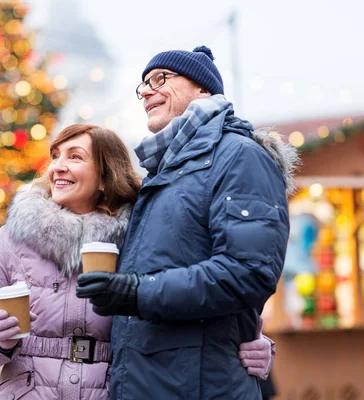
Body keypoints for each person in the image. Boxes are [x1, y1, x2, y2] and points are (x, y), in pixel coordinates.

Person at [0, 124, 273, 399]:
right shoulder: (14, 238)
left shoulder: (142, 240)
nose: (57, 166)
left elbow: (186, 298)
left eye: (75, 156)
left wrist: (255, 343)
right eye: (55, 156)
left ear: (104, 178)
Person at [76, 46, 298, 399]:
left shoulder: (239, 156)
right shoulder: (162, 172)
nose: (146, 91)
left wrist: (137, 291)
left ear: (202, 90)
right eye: (143, 85)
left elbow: (248, 272)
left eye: (160, 79)